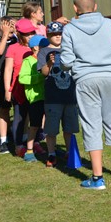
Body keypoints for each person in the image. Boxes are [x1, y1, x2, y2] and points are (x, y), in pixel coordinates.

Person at [61, 0, 111, 190]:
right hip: (110, 77)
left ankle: (98, 177)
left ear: (75, 8)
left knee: (91, 125)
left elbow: (66, 61)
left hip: (85, 79)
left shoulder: (69, 29)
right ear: (96, 6)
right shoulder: (109, 24)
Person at [38, 21, 79, 168]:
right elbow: (44, 73)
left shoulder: (69, 49)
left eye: (60, 34)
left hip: (70, 97)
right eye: (54, 34)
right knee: (51, 129)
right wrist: (49, 63)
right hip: (53, 98)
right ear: (48, 35)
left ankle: (69, 152)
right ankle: (51, 153)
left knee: (69, 128)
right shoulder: (43, 52)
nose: (57, 36)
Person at [4, 18, 36, 157]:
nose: (30, 36)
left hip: (35, 88)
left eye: (32, 33)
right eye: (26, 34)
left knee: (34, 117)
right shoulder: (13, 48)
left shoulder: (36, 47)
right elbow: (8, 70)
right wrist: (7, 89)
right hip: (18, 89)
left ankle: (33, 142)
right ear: (19, 34)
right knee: (19, 116)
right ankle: (18, 146)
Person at [18, 34, 46, 163]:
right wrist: (39, 77)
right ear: (35, 47)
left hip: (47, 97)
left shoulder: (46, 60)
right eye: (43, 46)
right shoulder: (28, 61)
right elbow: (22, 78)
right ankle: (29, 151)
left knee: (45, 125)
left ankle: (42, 146)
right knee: (34, 125)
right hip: (35, 98)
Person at [0, 16, 16, 154]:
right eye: (7, 25)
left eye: (12, 26)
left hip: (16, 77)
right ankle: (3, 141)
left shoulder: (16, 39)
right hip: (1, 78)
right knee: (3, 109)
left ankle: (18, 135)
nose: (10, 28)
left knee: (19, 108)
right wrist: (5, 35)